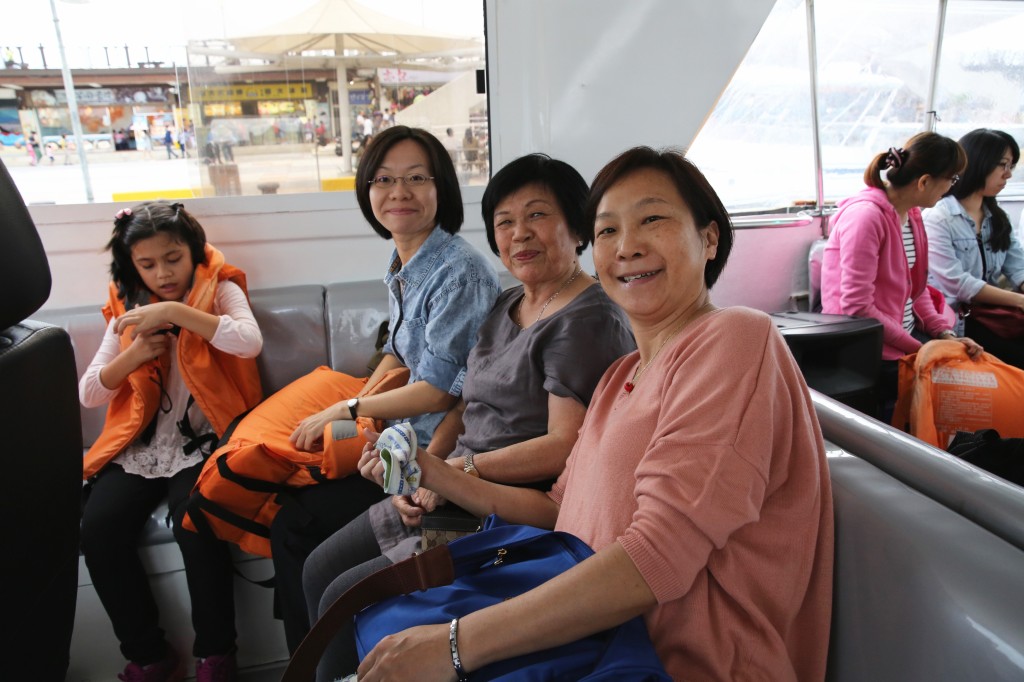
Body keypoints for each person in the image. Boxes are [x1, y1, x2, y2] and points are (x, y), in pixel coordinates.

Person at [353, 147, 835, 682]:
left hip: (675, 662)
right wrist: (432, 470)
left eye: (652, 219)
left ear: (709, 238)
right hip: (590, 642)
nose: (627, 246)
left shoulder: (735, 338)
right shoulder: (619, 378)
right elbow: (556, 510)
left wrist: (454, 644)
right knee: (365, 626)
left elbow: (658, 554)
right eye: (608, 230)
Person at [302, 153, 636, 680]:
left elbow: (564, 446)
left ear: (578, 227)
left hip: (504, 511)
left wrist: (455, 473)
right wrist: (416, 473)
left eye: (537, 215)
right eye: (505, 221)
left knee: (344, 601)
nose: (519, 233)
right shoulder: (509, 303)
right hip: (452, 485)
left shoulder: (586, 321)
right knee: (317, 567)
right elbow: (462, 403)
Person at [270, 125, 502, 653]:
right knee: (291, 509)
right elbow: (400, 351)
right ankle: (311, 656)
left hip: (435, 454)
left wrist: (347, 407)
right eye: (384, 179)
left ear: (441, 187)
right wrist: (360, 414)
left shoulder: (460, 274)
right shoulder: (405, 263)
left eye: (416, 178)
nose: (399, 192)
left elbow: (440, 392)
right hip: (398, 445)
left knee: (295, 529)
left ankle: (315, 658)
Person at [79, 202, 264, 682]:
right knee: (98, 528)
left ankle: (216, 655)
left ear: (194, 253)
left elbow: (249, 341)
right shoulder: (127, 306)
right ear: (132, 266)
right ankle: (149, 656)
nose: (162, 273)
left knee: (194, 521)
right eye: (147, 264)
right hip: (142, 448)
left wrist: (177, 312)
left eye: (173, 258)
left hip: (208, 439)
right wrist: (134, 354)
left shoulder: (219, 290)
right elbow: (90, 391)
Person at [820, 132, 981, 418]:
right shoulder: (866, 217)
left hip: (902, 339)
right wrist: (922, 348)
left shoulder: (912, 215)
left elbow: (915, 290)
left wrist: (943, 333)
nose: (951, 188)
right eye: (952, 179)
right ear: (924, 182)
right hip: (868, 350)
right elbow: (858, 307)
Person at [924, 128, 1024, 369]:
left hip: (993, 316)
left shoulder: (998, 218)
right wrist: (1019, 300)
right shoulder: (938, 218)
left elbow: (1018, 267)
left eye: (1011, 166)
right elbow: (958, 284)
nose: (1008, 174)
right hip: (958, 322)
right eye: (1002, 165)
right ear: (979, 162)